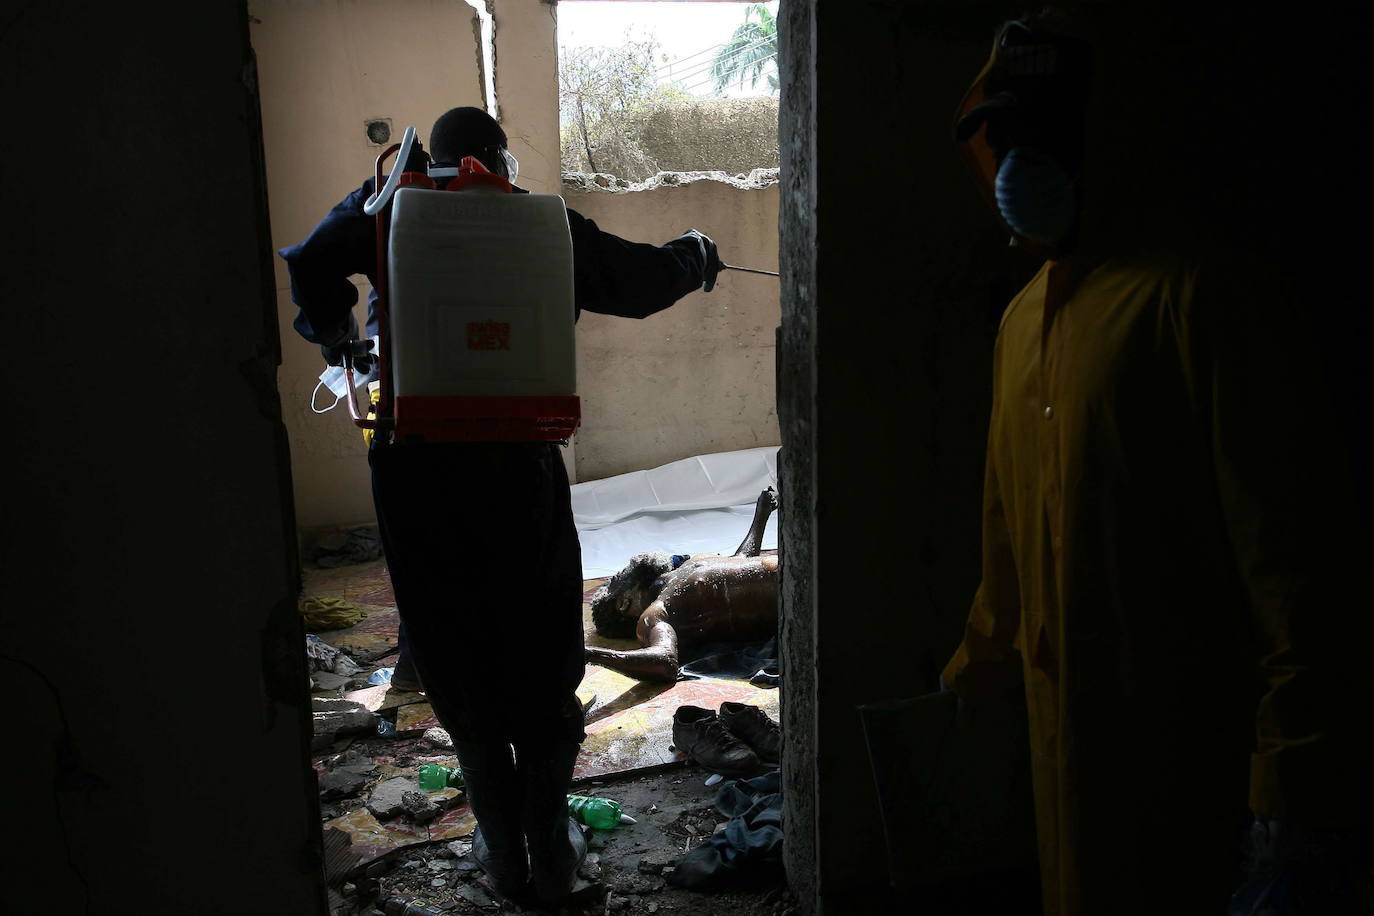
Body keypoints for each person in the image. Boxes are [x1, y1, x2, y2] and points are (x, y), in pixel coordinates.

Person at [940, 16, 1371, 916]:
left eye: (1044, 134)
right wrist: (978, 662)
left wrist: (1290, 778)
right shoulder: (1022, 326)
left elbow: (1292, 558)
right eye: (1005, 140)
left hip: (1189, 764)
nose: (1020, 163)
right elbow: (1006, 531)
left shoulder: (1197, 299)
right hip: (1065, 761)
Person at [279, 106, 720, 907]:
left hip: (413, 468)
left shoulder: (382, 210)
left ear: (434, 162)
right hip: (518, 464)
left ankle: (502, 856)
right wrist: (697, 255)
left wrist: (338, 336)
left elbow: (308, 262)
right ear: (501, 160)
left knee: (453, 645)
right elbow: (641, 282)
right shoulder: (537, 220)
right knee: (540, 640)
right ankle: (550, 851)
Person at [586, 487, 779, 682]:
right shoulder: (656, 613)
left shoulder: (680, 573)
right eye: (614, 580)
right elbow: (664, 662)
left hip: (797, 570)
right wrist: (590, 654)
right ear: (623, 603)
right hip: (797, 591)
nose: (622, 569)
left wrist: (760, 515)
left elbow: (741, 560)